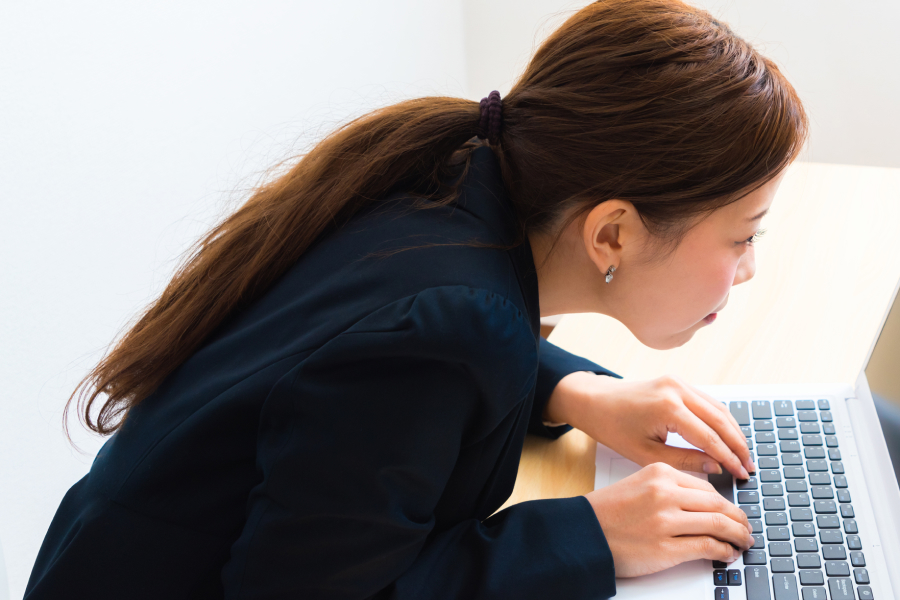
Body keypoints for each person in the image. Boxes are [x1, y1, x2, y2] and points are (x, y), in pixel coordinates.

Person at [24, 0, 808, 598]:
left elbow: (383, 343)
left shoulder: (453, 184)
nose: (747, 271)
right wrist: (590, 536)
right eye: (744, 237)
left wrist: (574, 391)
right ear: (612, 235)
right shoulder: (450, 328)